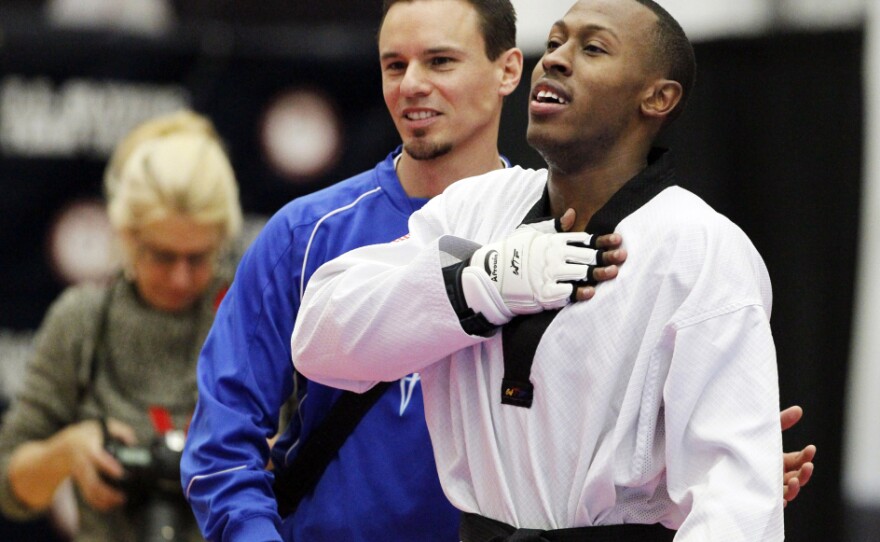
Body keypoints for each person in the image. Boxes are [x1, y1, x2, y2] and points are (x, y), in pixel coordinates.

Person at [182, 1, 812, 541]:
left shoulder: (702, 249)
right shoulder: (471, 211)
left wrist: (690, 466)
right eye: (557, 40)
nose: (558, 58)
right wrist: (476, 281)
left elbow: (733, 500)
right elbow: (321, 344)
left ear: (658, 96)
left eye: (593, 48)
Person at [0, 110, 243, 541]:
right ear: (125, 237)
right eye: (162, 256)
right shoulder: (84, 323)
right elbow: (9, 484)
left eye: (200, 257)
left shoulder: (250, 318)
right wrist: (68, 450)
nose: (181, 278)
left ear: (224, 239)